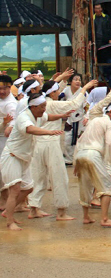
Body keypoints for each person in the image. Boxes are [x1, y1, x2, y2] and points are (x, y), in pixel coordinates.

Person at [27, 79, 97, 221]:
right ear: (52, 92)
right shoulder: (51, 104)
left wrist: (62, 78)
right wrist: (85, 89)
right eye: (57, 90)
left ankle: (34, 208)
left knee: (38, 177)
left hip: (38, 143)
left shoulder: (40, 103)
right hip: (50, 143)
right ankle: (61, 212)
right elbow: (73, 104)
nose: (59, 93)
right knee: (59, 177)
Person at [0, 94, 65, 230]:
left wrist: (63, 115)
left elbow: (49, 117)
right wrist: (49, 132)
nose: (44, 110)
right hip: (12, 156)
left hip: (23, 158)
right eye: (42, 107)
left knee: (29, 188)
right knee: (15, 190)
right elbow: (30, 129)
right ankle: (9, 221)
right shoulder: (24, 117)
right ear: (33, 107)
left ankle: (8, 211)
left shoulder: (37, 115)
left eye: (45, 107)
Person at [73, 102, 111, 227]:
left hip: (81, 153)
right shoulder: (108, 123)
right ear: (110, 112)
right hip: (93, 154)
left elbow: (80, 140)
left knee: (85, 185)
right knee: (106, 185)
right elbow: (110, 143)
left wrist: (75, 162)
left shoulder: (94, 121)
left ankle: (86, 217)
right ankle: (105, 219)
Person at [62, 73, 88, 165]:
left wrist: (87, 117)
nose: (78, 82)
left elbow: (87, 106)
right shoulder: (65, 91)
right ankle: (68, 158)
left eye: (79, 80)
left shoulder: (83, 92)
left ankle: (79, 158)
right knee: (67, 140)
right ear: (70, 82)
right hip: (69, 119)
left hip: (80, 119)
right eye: (75, 79)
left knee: (80, 140)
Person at [0, 74, 17, 211]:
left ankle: (5, 199)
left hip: (6, 140)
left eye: (5, 88)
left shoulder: (11, 103)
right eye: (0, 88)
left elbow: (15, 118)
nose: (2, 91)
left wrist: (9, 125)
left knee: (5, 170)